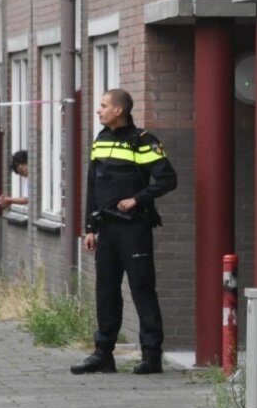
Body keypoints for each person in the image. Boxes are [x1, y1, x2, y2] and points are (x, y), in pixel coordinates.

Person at [71, 88, 177, 376]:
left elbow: (168, 179)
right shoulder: (101, 140)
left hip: (134, 228)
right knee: (105, 291)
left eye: (103, 105)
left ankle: (151, 356)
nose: (98, 110)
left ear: (119, 110)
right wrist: (90, 228)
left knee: (141, 289)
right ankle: (103, 354)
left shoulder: (143, 141)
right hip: (106, 228)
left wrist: (137, 199)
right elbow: (93, 186)